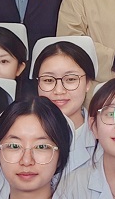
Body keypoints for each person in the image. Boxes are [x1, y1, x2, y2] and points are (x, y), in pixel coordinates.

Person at [31, 35, 98, 172]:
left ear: (88, 83)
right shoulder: (17, 134)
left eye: (70, 79)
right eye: (48, 80)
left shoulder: (104, 136)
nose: (59, 91)